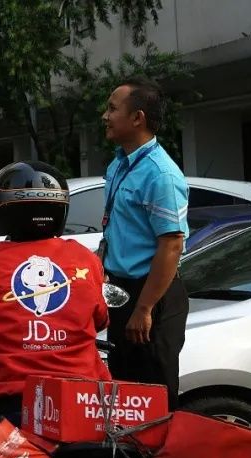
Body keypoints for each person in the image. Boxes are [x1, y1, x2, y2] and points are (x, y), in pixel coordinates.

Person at [0, 161, 111, 425]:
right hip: (83, 398)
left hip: (8, 400)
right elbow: (100, 320)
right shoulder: (85, 260)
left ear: (2, 209)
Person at [99, 76, 190, 407]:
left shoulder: (160, 173)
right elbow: (116, 227)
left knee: (153, 395)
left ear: (137, 118)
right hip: (122, 292)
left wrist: (144, 308)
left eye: (112, 108)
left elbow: (171, 245)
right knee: (123, 391)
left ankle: (157, 457)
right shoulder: (119, 163)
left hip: (152, 295)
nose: (105, 116)